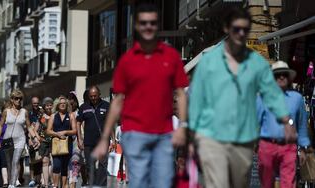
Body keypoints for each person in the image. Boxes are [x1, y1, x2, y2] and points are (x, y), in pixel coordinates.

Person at [188, 8, 295, 188]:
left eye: (245, 30)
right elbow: (196, 97)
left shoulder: (256, 63)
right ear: (226, 28)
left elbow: (272, 94)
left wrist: (286, 121)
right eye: (236, 29)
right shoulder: (210, 61)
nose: (241, 34)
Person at [92, 3, 189, 188]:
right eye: (143, 23)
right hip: (135, 135)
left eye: (152, 23)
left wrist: (183, 126)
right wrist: (105, 138)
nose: (148, 27)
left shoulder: (171, 56)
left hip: (164, 135)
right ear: (136, 26)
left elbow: (181, 94)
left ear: (158, 25)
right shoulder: (127, 60)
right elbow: (117, 101)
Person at [257, 61, 310, 188]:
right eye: (277, 75)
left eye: (284, 75)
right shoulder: (262, 97)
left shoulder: (296, 98)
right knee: (266, 183)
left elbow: (302, 124)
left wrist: (303, 148)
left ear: (289, 78)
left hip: (288, 147)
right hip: (267, 146)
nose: (281, 77)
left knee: (288, 183)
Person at [0, 90, 37, 188]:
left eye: (20, 99)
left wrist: (34, 137)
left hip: (20, 139)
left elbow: (29, 127)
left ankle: (12, 184)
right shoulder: (6, 111)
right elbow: (1, 126)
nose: (18, 100)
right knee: (9, 163)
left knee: (16, 161)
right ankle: (11, 181)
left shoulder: (24, 112)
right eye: (16, 98)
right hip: (7, 140)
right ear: (12, 99)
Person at [76, 86, 110, 186]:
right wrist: (79, 139)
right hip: (88, 142)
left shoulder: (106, 105)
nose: (93, 98)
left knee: (103, 165)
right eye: (91, 96)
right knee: (90, 165)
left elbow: (110, 123)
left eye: (95, 96)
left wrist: (113, 140)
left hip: (102, 141)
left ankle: (102, 185)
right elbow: (78, 122)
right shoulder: (84, 107)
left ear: (99, 94)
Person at [46, 96, 77, 188]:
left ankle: (63, 185)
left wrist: (65, 132)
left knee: (64, 166)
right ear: (57, 105)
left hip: (68, 144)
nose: (62, 104)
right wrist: (58, 134)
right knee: (56, 165)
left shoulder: (71, 115)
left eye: (64, 103)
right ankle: (55, 185)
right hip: (56, 144)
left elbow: (75, 131)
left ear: (67, 105)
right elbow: (48, 131)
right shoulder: (53, 116)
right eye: (61, 103)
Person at [67, 92, 83, 188]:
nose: (71, 101)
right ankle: (69, 183)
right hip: (66, 142)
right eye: (69, 99)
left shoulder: (79, 112)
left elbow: (82, 128)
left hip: (77, 141)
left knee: (75, 163)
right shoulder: (65, 113)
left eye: (73, 99)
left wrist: (81, 139)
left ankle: (73, 184)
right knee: (67, 165)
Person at [27, 96, 43, 187]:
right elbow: (28, 127)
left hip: (41, 139)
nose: (36, 105)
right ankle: (32, 179)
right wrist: (30, 139)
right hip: (31, 139)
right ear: (31, 104)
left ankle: (39, 180)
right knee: (32, 160)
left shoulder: (41, 113)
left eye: (37, 103)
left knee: (40, 160)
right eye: (34, 103)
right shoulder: (29, 114)